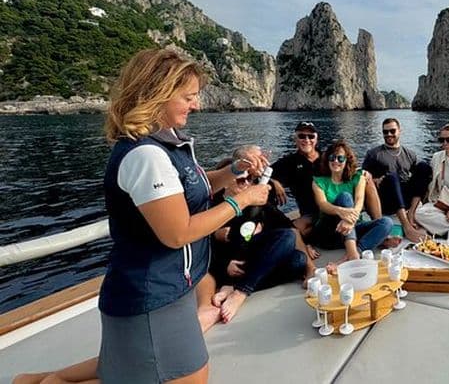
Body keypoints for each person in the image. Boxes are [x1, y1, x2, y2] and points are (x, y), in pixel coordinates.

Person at [13, 48, 270, 384]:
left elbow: (191, 187)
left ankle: (35, 381)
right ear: (157, 94)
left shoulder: (163, 144)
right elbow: (177, 232)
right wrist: (241, 201)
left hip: (172, 286)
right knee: (185, 378)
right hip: (151, 294)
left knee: (136, 366)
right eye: (188, 97)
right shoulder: (146, 155)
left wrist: (232, 172)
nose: (196, 105)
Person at [207, 145, 317, 325]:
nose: (247, 185)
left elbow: (288, 227)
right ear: (227, 181)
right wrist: (224, 264)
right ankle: (240, 291)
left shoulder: (256, 201)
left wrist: (310, 268)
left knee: (298, 259)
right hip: (228, 265)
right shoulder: (213, 206)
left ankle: (236, 287)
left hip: (251, 260)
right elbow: (199, 246)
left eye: (250, 180)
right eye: (242, 181)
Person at [311, 140, 393, 263]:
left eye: (340, 158)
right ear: (327, 159)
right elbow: (323, 205)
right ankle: (352, 252)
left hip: (349, 228)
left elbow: (359, 201)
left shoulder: (357, 177)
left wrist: (349, 221)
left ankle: (355, 252)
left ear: (347, 161)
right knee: (345, 197)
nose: (336, 161)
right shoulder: (319, 182)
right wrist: (341, 212)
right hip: (328, 234)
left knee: (387, 222)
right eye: (332, 157)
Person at [363, 118, 432, 243]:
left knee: (424, 167)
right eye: (385, 132)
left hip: (404, 198)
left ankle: (411, 213)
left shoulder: (410, 154)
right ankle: (407, 227)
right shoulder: (374, 154)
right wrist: (376, 180)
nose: (389, 134)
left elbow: (419, 179)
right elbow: (362, 178)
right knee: (392, 177)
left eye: (392, 131)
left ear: (399, 131)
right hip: (386, 200)